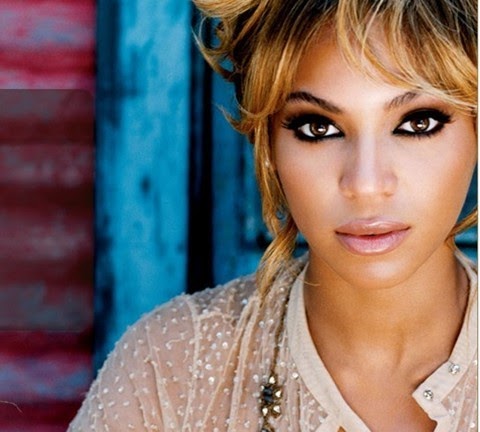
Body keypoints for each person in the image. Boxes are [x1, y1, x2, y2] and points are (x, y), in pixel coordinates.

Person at [69, 0, 477, 430]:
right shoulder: (167, 368)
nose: (366, 184)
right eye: (318, 128)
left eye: (418, 123)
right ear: (268, 144)